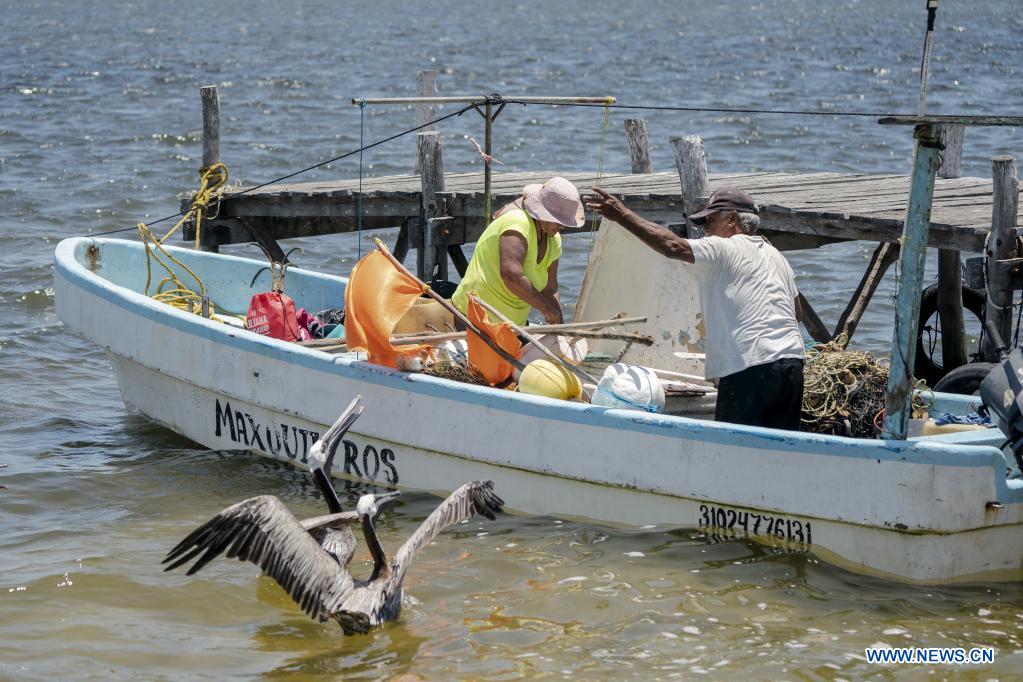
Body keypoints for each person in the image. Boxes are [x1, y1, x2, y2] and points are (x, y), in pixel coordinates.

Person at [584, 186, 805, 431]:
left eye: (710, 221)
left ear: (732, 219)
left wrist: (621, 214)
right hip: (792, 364)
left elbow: (672, 245)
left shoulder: (723, 247)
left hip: (749, 366)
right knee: (780, 445)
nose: (705, 230)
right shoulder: (777, 257)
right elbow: (797, 314)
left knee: (732, 446)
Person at [451, 177, 585, 326]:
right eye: (558, 221)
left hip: (513, 325)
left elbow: (550, 288)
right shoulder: (517, 222)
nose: (562, 226)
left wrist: (559, 324)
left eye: (564, 222)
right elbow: (511, 275)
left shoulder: (554, 239)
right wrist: (546, 309)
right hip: (474, 317)